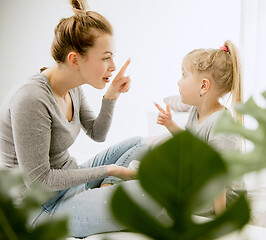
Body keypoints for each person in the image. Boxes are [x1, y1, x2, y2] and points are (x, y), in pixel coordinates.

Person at [0, 0, 154, 237]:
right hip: (41, 208)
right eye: (105, 58)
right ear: (74, 60)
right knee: (148, 198)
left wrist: (110, 96)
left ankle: (104, 189)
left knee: (139, 143)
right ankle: (103, 189)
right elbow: (40, 181)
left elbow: (97, 133)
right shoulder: (31, 99)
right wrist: (109, 170)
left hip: (70, 180)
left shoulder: (73, 87)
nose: (113, 66)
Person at [154, 41, 244, 216]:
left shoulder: (222, 125)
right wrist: (170, 124)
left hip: (224, 197)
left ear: (204, 86)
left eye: (183, 75)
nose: (179, 82)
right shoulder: (196, 111)